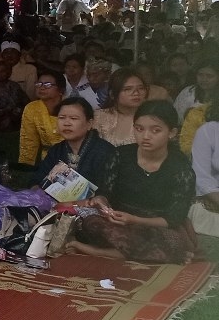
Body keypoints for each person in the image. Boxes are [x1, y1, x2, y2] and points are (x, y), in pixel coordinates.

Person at [69, 101, 197, 265]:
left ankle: (94, 251)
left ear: (171, 132)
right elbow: (106, 192)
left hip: (157, 225)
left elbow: (173, 218)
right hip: (119, 221)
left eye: (155, 130)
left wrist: (135, 220)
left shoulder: (181, 168)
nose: (145, 136)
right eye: (139, 129)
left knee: (171, 242)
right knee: (91, 223)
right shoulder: (120, 155)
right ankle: (135, 253)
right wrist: (101, 201)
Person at [32, 97, 116, 192]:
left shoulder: (104, 151)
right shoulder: (56, 150)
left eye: (73, 118)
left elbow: (107, 191)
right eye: (62, 118)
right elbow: (37, 180)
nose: (67, 123)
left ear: (89, 124)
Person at [18, 66, 67, 167]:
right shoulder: (32, 108)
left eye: (48, 84)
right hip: (47, 159)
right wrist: (25, 166)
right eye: (39, 84)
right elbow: (28, 140)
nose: (42, 87)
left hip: (73, 158)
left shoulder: (72, 107)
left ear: (61, 90)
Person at [95, 67, 151, 146]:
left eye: (141, 88)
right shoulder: (98, 117)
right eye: (128, 89)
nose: (136, 93)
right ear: (112, 94)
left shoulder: (154, 118)